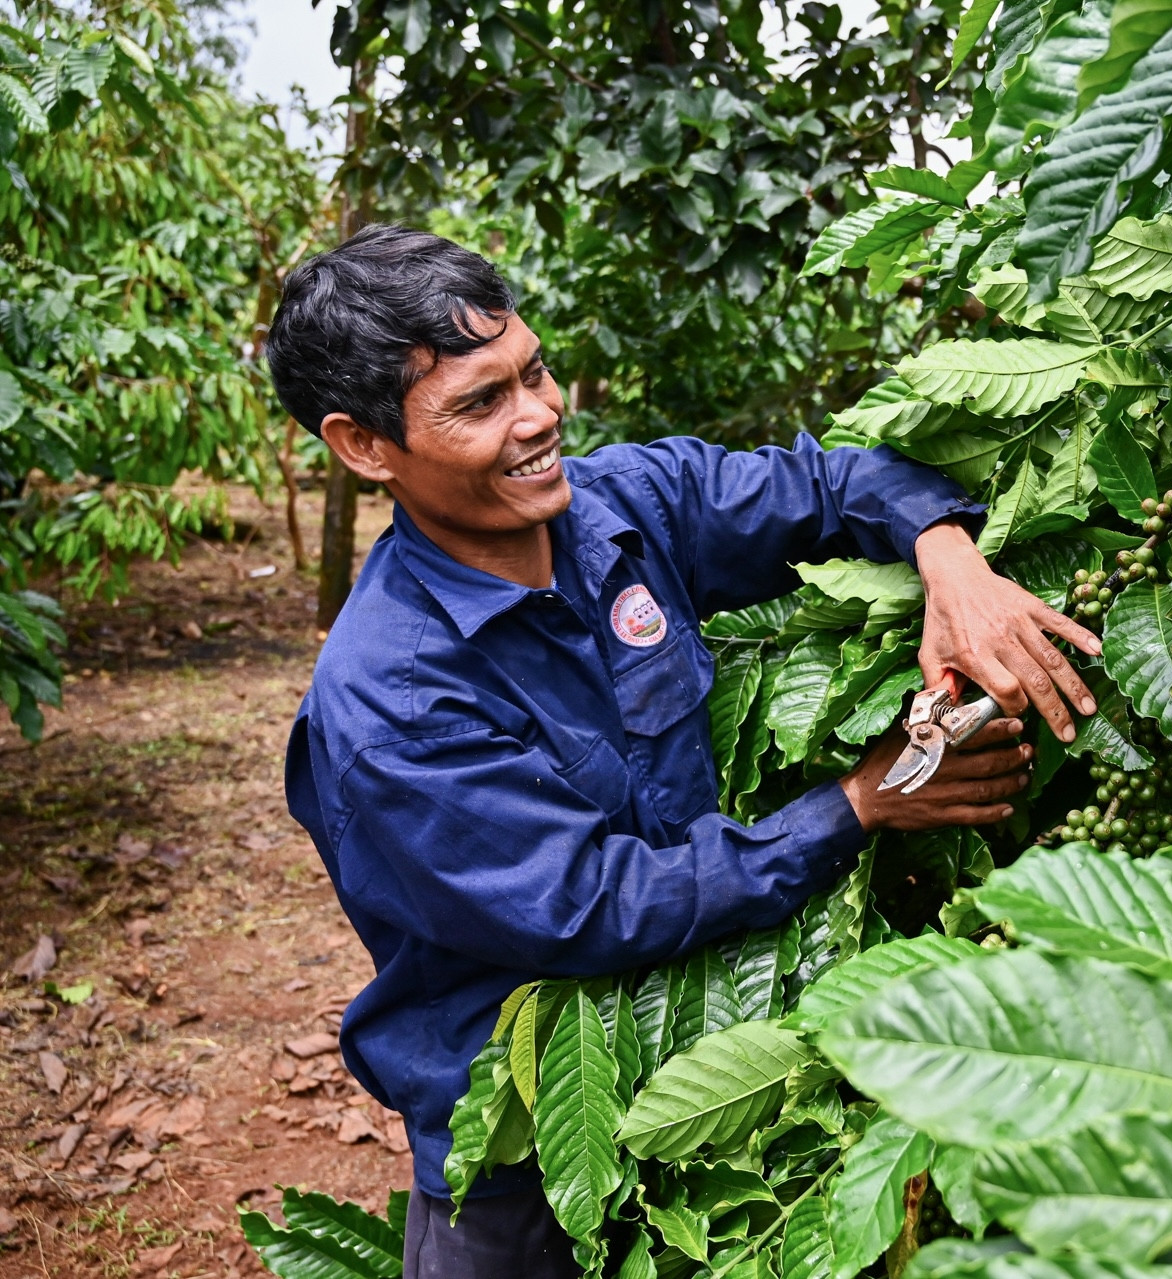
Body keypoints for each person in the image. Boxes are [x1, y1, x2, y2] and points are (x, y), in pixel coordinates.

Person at [265, 225, 1102, 1279]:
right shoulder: (390, 696)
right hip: (529, 1135)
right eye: (481, 402)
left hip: (709, 1056)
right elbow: (588, 905)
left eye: (534, 371)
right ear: (363, 446)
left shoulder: (622, 508)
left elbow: (825, 483)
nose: (537, 416)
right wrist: (857, 803)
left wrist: (950, 561)